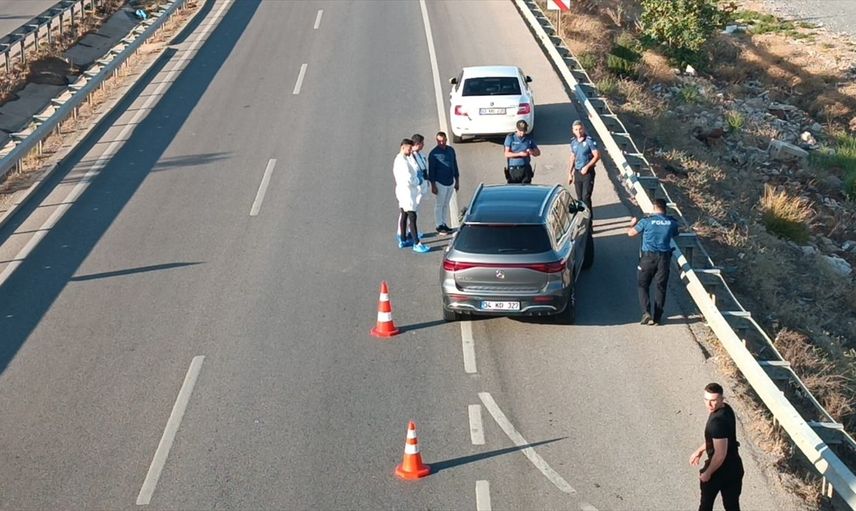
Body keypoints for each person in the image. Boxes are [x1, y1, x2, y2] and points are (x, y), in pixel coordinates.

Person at [689, 383, 744, 511]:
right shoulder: (727, 409)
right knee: (732, 506)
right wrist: (700, 450)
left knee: (705, 506)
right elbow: (719, 439)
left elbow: (720, 455)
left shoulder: (717, 423)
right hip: (735, 468)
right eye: (706, 400)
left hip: (719, 471)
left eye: (713, 400)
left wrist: (707, 473)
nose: (709, 404)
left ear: (722, 399)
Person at [626, 198, 679, 325]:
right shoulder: (672, 222)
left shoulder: (646, 221)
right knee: (661, 287)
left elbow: (631, 234)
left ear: (654, 207)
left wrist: (632, 223)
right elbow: (675, 234)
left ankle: (646, 313)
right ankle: (658, 317)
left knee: (643, 285)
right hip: (664, 259)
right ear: (665, 208)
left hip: (648, 258)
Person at [393, 138, 430, 253]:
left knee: (404, 215)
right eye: (409, 149)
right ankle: (416, 243)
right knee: (412, 217)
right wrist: (418, 181)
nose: (410, 151)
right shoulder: (403, 162)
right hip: (407, 192)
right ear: (403, 147)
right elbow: (409, 179)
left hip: (402, 191)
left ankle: (403, 239)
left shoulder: (399, 159)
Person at [428, 131, 459, 235]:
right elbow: (431, 171)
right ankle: (439, 225)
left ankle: (444, 223)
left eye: (443, 140)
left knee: (446, 204)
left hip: (450, 181)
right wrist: (433, 185)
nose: (441, 143)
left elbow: (455, 165)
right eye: (439, 141)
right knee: (440, 204)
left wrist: (457, 180)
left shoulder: (451, 150)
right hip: (440, 182)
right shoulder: (433, 154)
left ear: (446, 139)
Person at [567, 120, 600, 218]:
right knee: (580, 199)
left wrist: (587, 166)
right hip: (577, 173)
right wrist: (570, 173)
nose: (578, 132)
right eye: (576, 129)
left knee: (586, 197)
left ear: (583, 129)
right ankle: (582, 219)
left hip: (588, 173)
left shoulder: (589, 141)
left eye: (580, 129)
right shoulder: (573, 142)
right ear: (573, 130)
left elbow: (597, 155)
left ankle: (589, 221)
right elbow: (572, 157)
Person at [503, 119, 540, 184]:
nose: (522, 133)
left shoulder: (529, 138)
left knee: (526, 188)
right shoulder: (510, 138)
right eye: (520, 131)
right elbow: (506, 154)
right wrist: (519, 154)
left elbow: (538, 153)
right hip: (514, 169)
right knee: (514, 188)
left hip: (526, 168)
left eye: (524, 131)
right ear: (516, 129)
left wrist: (532, 151)